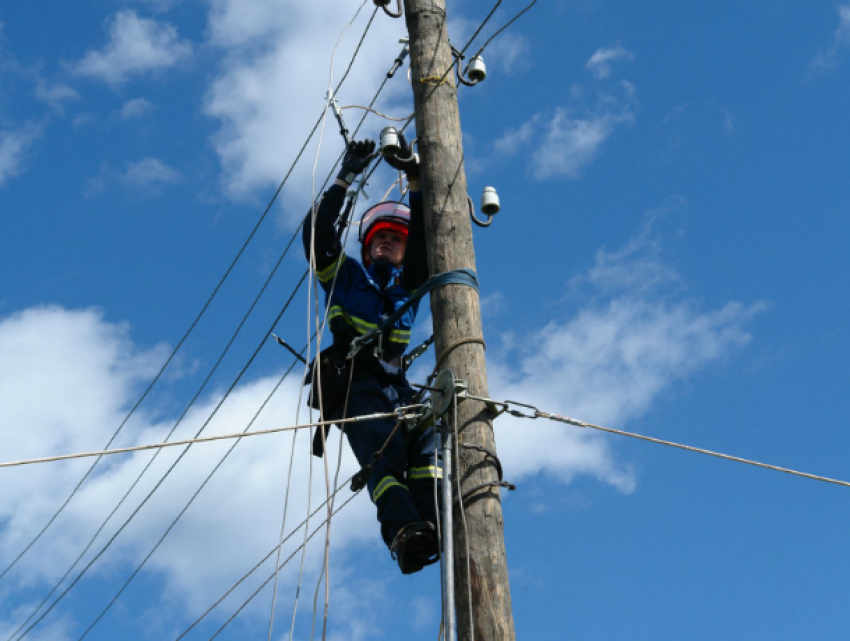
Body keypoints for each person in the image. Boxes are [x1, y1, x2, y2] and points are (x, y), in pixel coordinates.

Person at [302, 135, 442, 574]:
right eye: (378, 239)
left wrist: (415, 179)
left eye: (394, 241)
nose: (385, 244)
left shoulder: (406, 287)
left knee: (428, 448)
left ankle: (435, 526)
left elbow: (424, 245)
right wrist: (345, 177)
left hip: (397, 385)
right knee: (385, 451)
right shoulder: (344, 277)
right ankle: (404, 532)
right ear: (365, 248)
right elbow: (316, 235)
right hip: (354, 381)